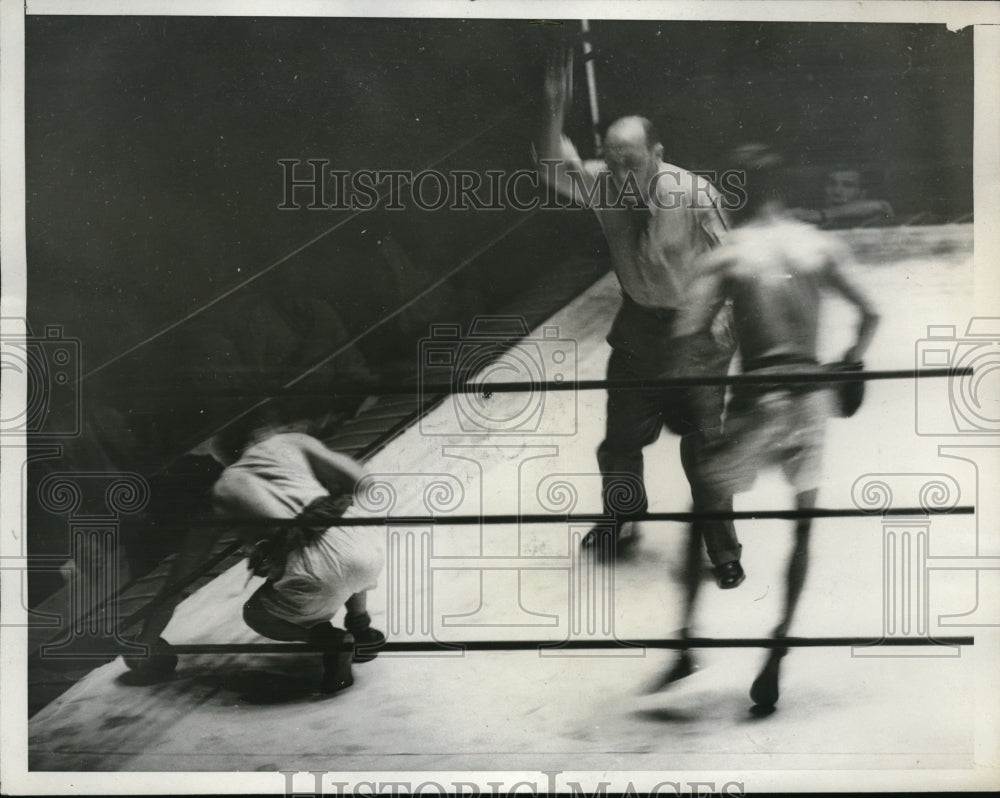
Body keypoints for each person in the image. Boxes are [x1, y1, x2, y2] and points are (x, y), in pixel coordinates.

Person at [655, 144, 880, 709]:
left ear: (738, 193)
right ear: (784, 191)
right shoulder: (816, 244)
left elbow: (685, 334)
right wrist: (850, 360)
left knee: (704, 508)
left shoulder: (730, 254)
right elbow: (871, 312)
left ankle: (685, 643)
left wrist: (686, 393)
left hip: (759, 397)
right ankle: (777, 650)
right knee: (802, 529)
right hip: (811, 399)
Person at [534, 49, 744, 589]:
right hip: (637, 332)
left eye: (631, 159)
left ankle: (722, 548)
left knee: (704, 447)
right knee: (620, 443)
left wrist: (725, 318)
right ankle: (622, 517)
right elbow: (552, 165)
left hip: (696, 334)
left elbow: (732, 264)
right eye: (611, 159)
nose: (620, 170)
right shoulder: (604, 185)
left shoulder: (694, 194)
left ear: (657, 153)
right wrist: (554, 106)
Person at [123, 432, 386, 694]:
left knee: (256, 613)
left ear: (219, 457)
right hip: (367, 547)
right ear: (257, 437)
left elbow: (178, 582)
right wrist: (322, 504)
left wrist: (146, 642)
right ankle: (361, 628)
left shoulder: (219, 494)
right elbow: (362, 481)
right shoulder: (292, 442)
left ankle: (329, 641)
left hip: (316, 577)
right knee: (338, 535)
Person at [790, 167, 894, 229]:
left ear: (862, 193)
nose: (837, 191)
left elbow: (881, 206)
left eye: (847, 185)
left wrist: (822, 215)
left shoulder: (873, 220)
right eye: (831, 183)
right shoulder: (810, 215)